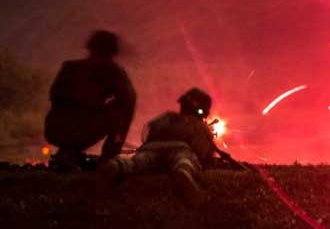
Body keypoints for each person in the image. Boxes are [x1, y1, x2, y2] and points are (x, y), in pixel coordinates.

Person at [97, 88, 235, 203]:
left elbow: (149, 135)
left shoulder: (167, 117)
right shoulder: (198, 125)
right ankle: (183, 172)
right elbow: (201, 151)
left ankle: (118, 165)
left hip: (152, 148)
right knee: (184, 161)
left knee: (137, 162)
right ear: (203, 110)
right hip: (181, 149)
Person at [44, 30, 137, 171]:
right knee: (123, 109)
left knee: (76, 120)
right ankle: (109, 157)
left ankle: (67, 153)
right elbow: (129, 99)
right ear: (112, 51)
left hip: (53, 129)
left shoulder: (69, 67)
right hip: (81, 130)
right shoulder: (112, 71)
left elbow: (56, 99)